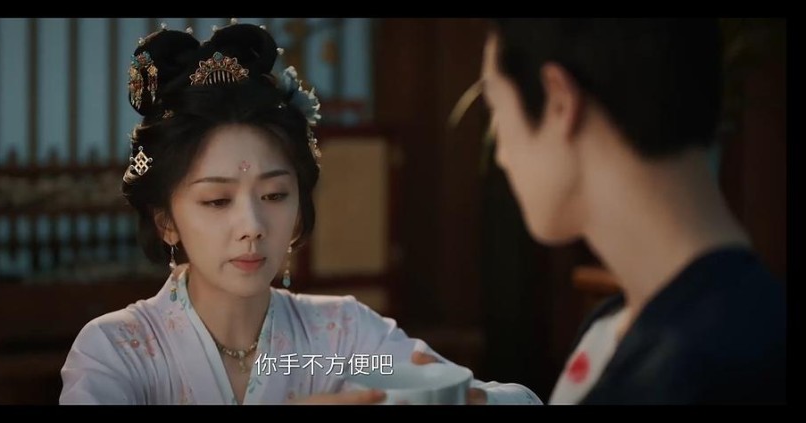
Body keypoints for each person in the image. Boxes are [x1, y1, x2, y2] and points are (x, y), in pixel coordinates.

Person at [59, 22, 542, 405]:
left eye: (274, 196)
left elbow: (515, 399)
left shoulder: (339, 340)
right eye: (217, 200)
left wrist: (462, 399)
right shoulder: (119, 352)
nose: (252, 226)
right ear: (166, 220)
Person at [476, 18, 786, 404]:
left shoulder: (686, 377)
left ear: (559, 103)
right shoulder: (618, 327)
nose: (502, 156)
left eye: (496, 107)